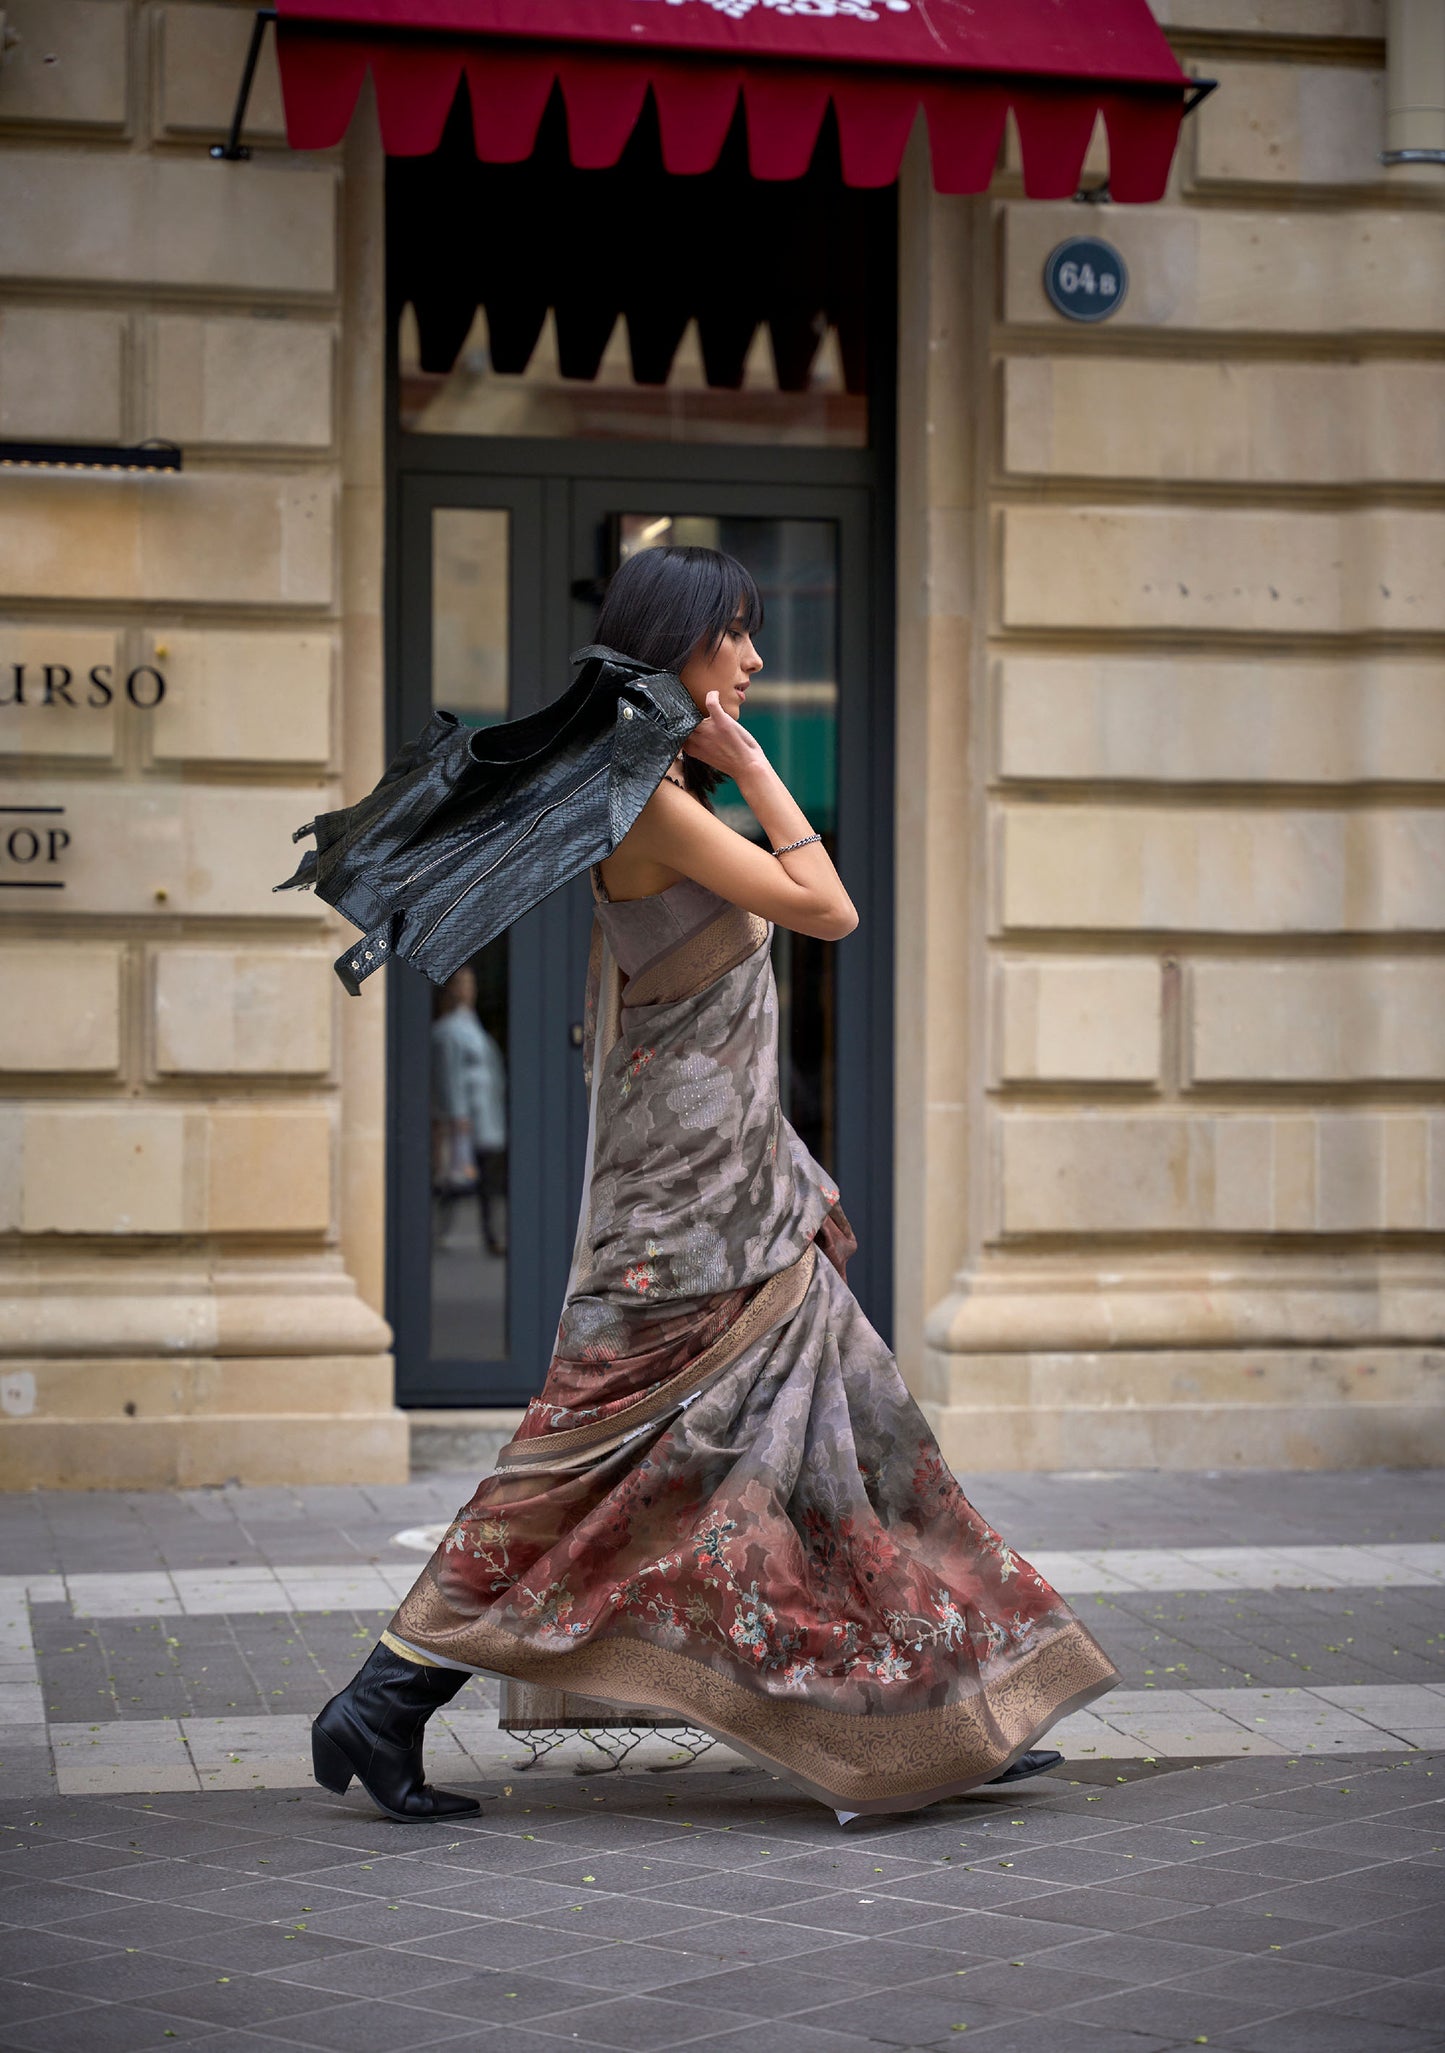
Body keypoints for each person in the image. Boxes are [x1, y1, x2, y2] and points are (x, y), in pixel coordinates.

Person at [312, 545, 1117, 1824]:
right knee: (570, 1467)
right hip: (680, 1230)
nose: (750, 659)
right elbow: (829, 906)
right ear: (673, 644)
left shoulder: (650, 789)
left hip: (747, 1204)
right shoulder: (645, 804)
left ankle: (949, 1707)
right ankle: (386, 1693)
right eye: (732, 636)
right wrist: (749, 764)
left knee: (863, 1457)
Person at [431, 965, 507, 1258]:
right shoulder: (449, 1030)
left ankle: (488, 1233)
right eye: (463, 983)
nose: (468, 989)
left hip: (484, 1111)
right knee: (458, 1176)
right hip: (470, 1115)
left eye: (471, 983)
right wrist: (457, 1113)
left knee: (480, 1176)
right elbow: (450, 1075)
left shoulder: (471, 1024)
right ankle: (442, 1229)